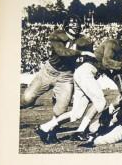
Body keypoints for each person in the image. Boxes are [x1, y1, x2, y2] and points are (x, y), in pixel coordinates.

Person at [21, 15, 93, 144]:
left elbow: (91, 56)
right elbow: (61, 52)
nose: (75, 26)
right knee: (27, 99)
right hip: (48, 72)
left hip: (66, 76)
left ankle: (52, 133)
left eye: (77, 24)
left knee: (61, 109)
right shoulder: (57, 35)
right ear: (66, 25)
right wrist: (81, 53)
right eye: (72, 24)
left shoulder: (84, 41)